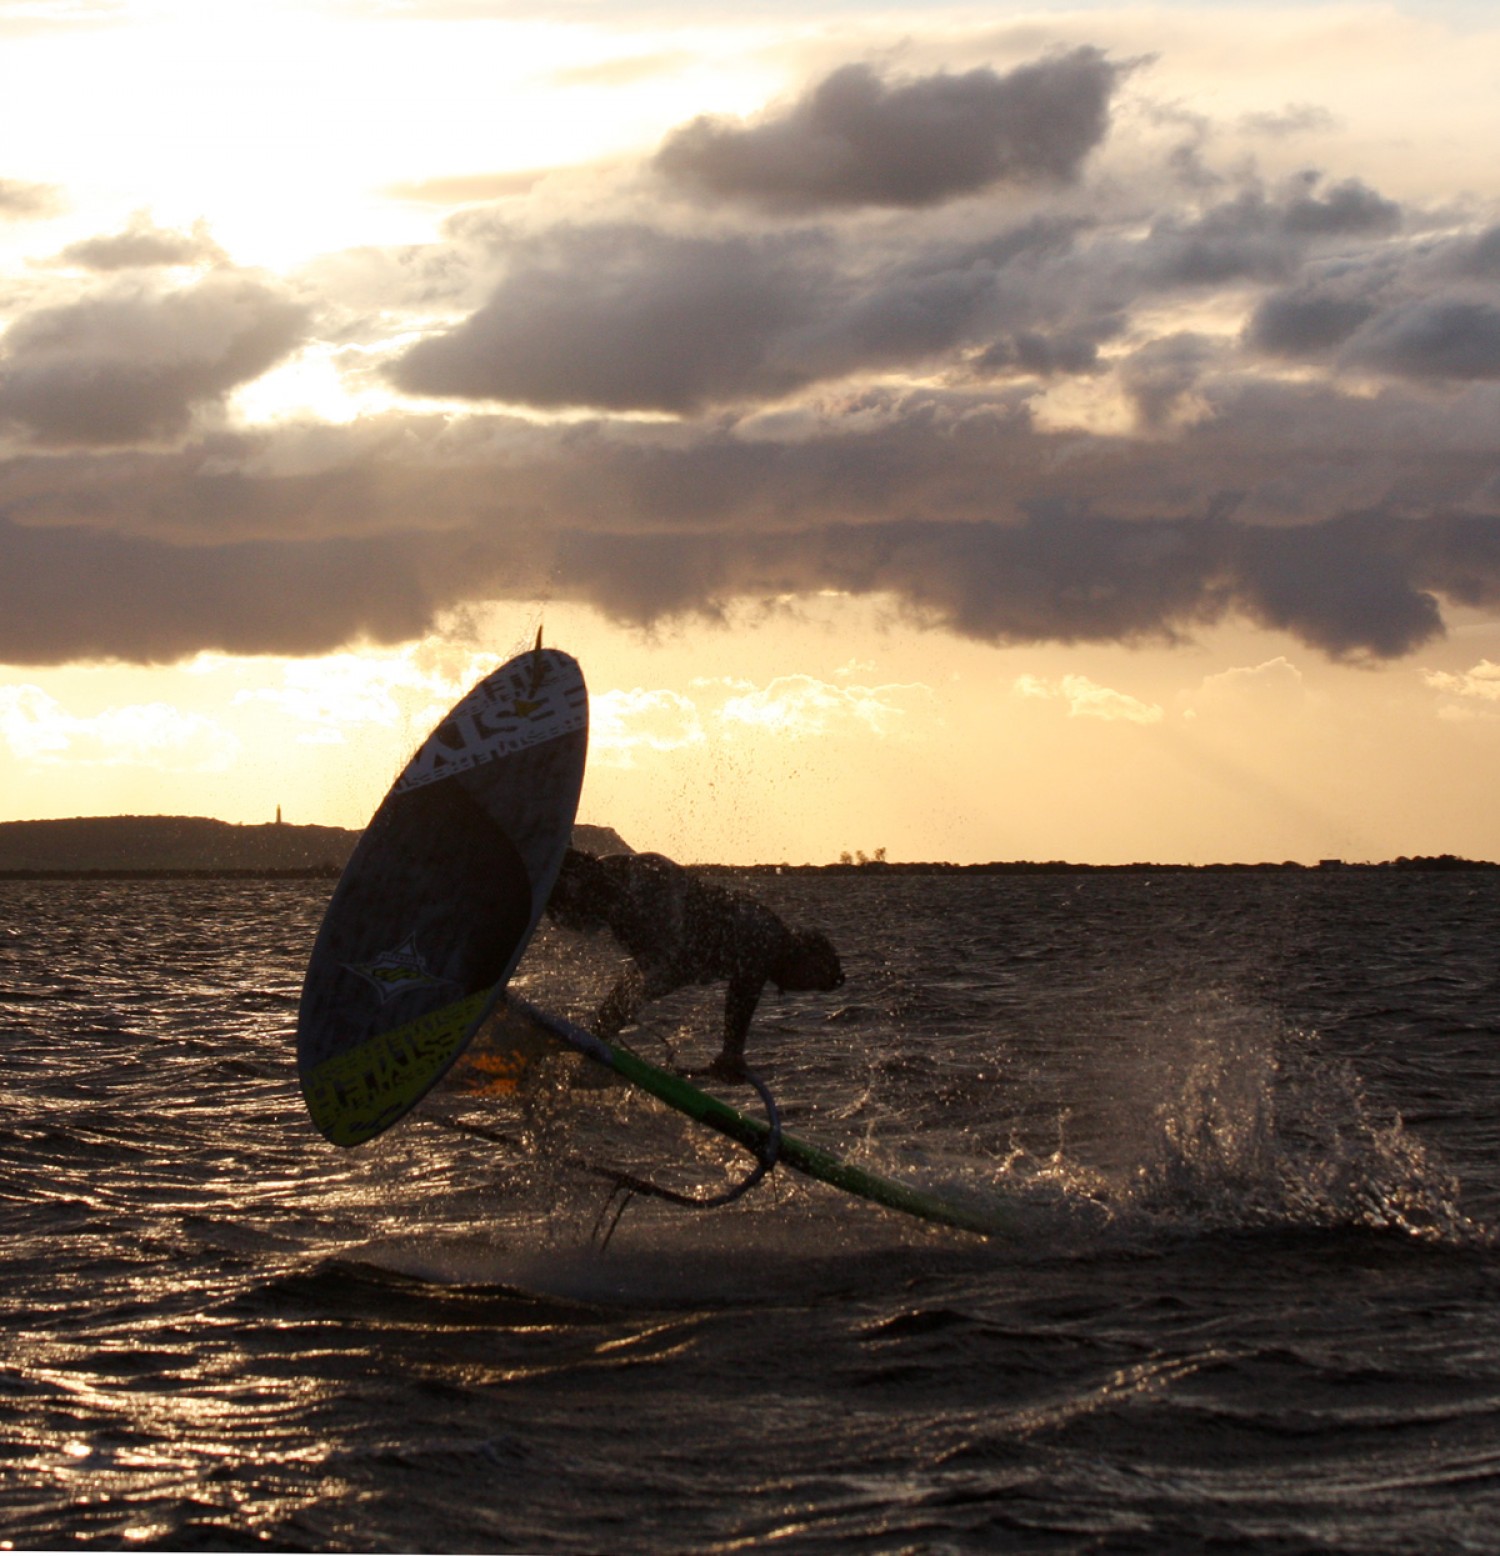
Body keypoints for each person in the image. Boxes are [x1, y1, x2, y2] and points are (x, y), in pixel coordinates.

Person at [546, 848, 844, 1080]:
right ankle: (560, 863)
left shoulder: (705, 954)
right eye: (812, 977)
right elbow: (743, 992)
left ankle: (553, 867)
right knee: (608, 906)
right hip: (661, 888)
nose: (803, 988)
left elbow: (649, 981)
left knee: (578, 916)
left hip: (652, 880)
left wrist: (599, 1033)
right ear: (804, 952)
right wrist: (732, 1054)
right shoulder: (768, 938)